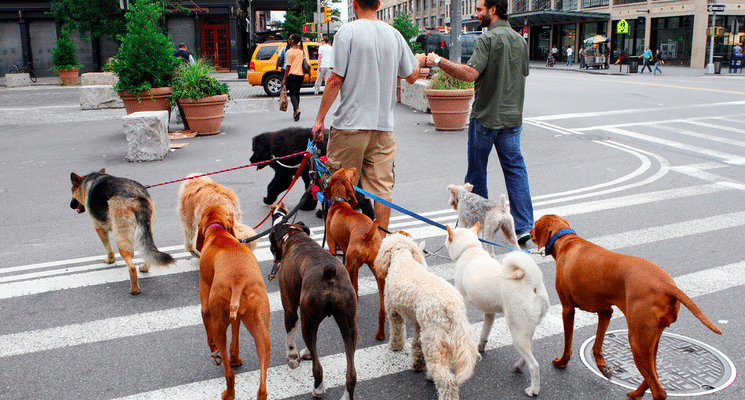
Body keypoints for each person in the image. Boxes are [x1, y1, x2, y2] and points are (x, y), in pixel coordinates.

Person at [425, 0, 533, 245]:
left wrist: (438, 61)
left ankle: (479, 224)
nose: (476, 14)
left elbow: (469, 74)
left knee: (476, 174)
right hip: (512, 117)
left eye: (479, 10)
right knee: (516, 171)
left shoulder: (487, 39)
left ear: (493, 10)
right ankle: (524, 225)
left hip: (485, 117)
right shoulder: (520, 40)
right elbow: (521, 74)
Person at [311, 0, 426, 231]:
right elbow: (412, 76)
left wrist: (320, 119)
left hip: (350, 125)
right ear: (379, 4)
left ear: (354, 4)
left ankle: (345, 238)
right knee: (383, 190)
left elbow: (335, 79)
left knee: (340, 188)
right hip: (383, 127)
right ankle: (380, 241)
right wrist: (421, 60)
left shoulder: (347, 32)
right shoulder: (394, 34)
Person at [283, 34, 305, 121]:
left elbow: (288, 66)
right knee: (297, 94)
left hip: (292, 75)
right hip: (300, 75)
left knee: (292, 94)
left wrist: (284, 78)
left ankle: (296, 109)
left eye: (289, 38)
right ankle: (296, 113)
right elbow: (305, 63)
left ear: (292, 41)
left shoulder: (289, 52)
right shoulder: (302, 51)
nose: (288, 40)